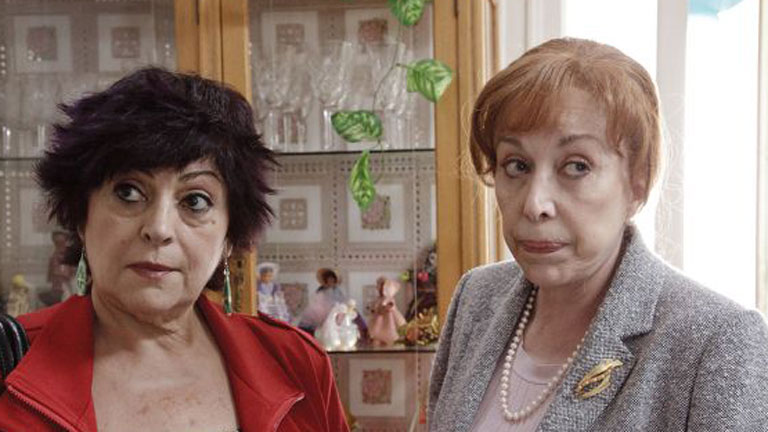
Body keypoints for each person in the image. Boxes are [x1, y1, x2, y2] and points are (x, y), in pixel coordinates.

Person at [428, 38, 768, 431]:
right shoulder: (476, 297)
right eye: (517, 165)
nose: (535, 204)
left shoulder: (718, 342)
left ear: (637, 183)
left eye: (576, 166)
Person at [0, 67, 349, 431]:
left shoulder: (298, 364)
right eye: (128, 192)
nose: (159, 228)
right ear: (81, 216)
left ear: (230, 235)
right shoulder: (11, 365)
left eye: (195, 201)